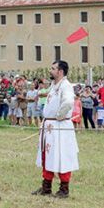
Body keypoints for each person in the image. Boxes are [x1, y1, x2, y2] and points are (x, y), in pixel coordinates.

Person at [32, 60, 78, 198]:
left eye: (53, 68)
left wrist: (59, 116)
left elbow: (69, 102)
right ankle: (46, 187)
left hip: (60, 127)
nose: (50, 70)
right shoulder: (54, 85)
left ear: (60, 71)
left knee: (62, 155)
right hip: (50, 127)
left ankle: (64, 189)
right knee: (47, 155)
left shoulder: (66, 86)